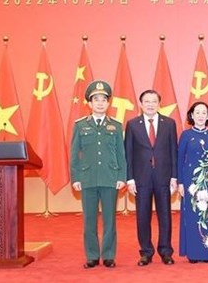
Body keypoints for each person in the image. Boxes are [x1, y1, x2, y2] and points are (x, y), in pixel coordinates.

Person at [70, 80, 126, 269]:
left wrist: (121, 176)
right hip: (87, 179)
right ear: (89, 103)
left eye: (104, 99)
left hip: (110, 178)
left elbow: (121, 154)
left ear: (108, 103)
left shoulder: (116, 126)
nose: (100, 103)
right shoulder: (80, 126)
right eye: (96, 100)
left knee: (110, 220)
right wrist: (76, 178)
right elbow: (74, 154)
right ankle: (92, 255)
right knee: (89, 220)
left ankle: (109, 255)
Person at [125, 89, 178, 266]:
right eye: (146, 101)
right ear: (141, 104)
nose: (150, 104)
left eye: (153, 101)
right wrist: (130, 178)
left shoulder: (169, 123)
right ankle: (146, 252)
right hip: (141, 178)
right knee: (142, 216)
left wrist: (174, 177)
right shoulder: (132, 124)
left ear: (159, 103)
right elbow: (129, 153)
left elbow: (173, 151)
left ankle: (165, 251)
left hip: (163, 177)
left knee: (165, 215)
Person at [177, 101, 208, 263]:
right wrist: (180, 183)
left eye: (204, 112)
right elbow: (180, 160)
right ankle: (193, 253)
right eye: (197, 112)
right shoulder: (186, 135)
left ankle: (207, 252)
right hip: (191, 182)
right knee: (192, 215)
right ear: (192, 115)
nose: (201, 116)